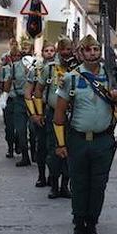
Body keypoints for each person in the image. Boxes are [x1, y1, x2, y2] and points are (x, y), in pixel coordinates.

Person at [53, 34, 117, 234]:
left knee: (98, 185)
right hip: (78, 139)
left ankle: (92, 224)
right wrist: (60, 144)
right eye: (88, 50)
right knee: (79, 183)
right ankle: (79, 224)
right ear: (81, 53)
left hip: (103, 140)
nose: (93, 54)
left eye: (96, 50)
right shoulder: (71, 78)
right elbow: (58, 115)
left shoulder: (112, 77)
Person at [34, 37, 74, 199]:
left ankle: (65, 185)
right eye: (62, 50)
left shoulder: (76, 69)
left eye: (68, 50)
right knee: (54, 150)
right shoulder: (50, 69)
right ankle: (54, 184)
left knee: (69, 151)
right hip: (53, 114)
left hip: (72, 116)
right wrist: (38, 113)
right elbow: (38, 91)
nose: (65, 53)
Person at [25, 40, 56, 188]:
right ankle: (41, 175)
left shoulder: (58, 69)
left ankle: (53, 175)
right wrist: (34, 114)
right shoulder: (35, 69)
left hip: (53, 109)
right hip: (39, 108)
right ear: (42, 53)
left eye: (52, 50)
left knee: (53, 146)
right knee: (41, 145)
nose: (49, 53)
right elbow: (28, 92)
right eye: (47, 51)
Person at [3, 39, 32, 166]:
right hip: (18, 99)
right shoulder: (13, 67)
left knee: (34, 129)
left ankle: (34, 153)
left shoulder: (36, 65)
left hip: (33, 100)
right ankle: (25, 156)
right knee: (19, 129)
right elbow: (6, 87)